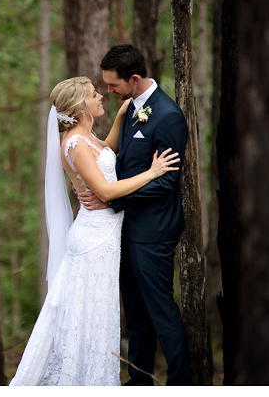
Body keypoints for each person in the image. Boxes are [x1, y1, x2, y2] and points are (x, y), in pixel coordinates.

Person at [9, 76, 180, 386]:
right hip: (93, 238)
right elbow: (105, 190)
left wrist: (117, 118)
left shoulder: (85, 137)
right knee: (85, 315)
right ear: (80, 107)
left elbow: (107, 150)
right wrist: (152, 173)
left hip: (105, 235)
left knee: (97, 315)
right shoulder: (74, 143)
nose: (101, 96)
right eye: (93, 95)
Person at [78, 43, 193, 385]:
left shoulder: (168, 116)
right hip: (125, 229)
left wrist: (111, 201)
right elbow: (114, 156)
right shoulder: (130, 108)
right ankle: (140, 381)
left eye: (113, 85)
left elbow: (166, 182)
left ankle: (182, 383)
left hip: (154, 231)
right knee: (137, 314)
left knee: (161, 311)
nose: (108, 91)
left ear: (135, 78)